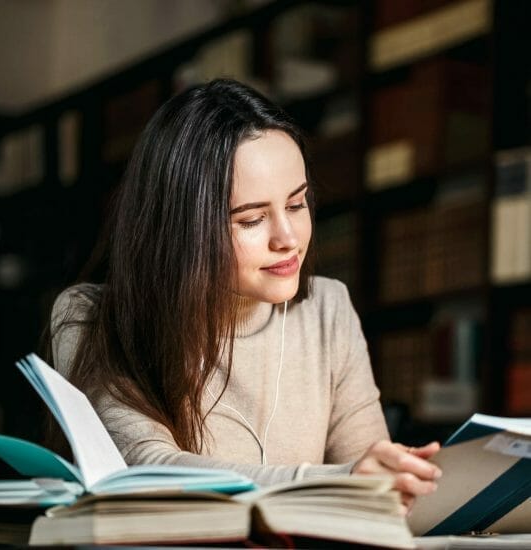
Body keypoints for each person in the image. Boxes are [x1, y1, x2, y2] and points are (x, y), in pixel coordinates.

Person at [50, 78, 440, 513]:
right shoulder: (92, 317)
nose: (288, 238)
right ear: (183, 228)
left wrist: (394, 480)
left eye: (297, 205)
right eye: (252, 220)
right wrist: (343, 479)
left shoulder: (327, 309)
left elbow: (378, 492)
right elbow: (148, 469)